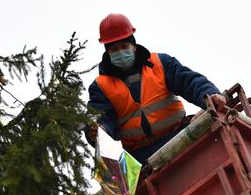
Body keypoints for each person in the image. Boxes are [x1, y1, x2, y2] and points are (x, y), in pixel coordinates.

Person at [87, 13, 226, 164]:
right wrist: (98, 132)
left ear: (133, 46)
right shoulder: (100, 86)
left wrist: (210, 95)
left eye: (124, 46)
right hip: (140, 158)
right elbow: (102, 117)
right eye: (114, 49)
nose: (120, 52)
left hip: (180, 137)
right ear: (107, 52)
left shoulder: (160, 63)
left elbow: (189, 81)